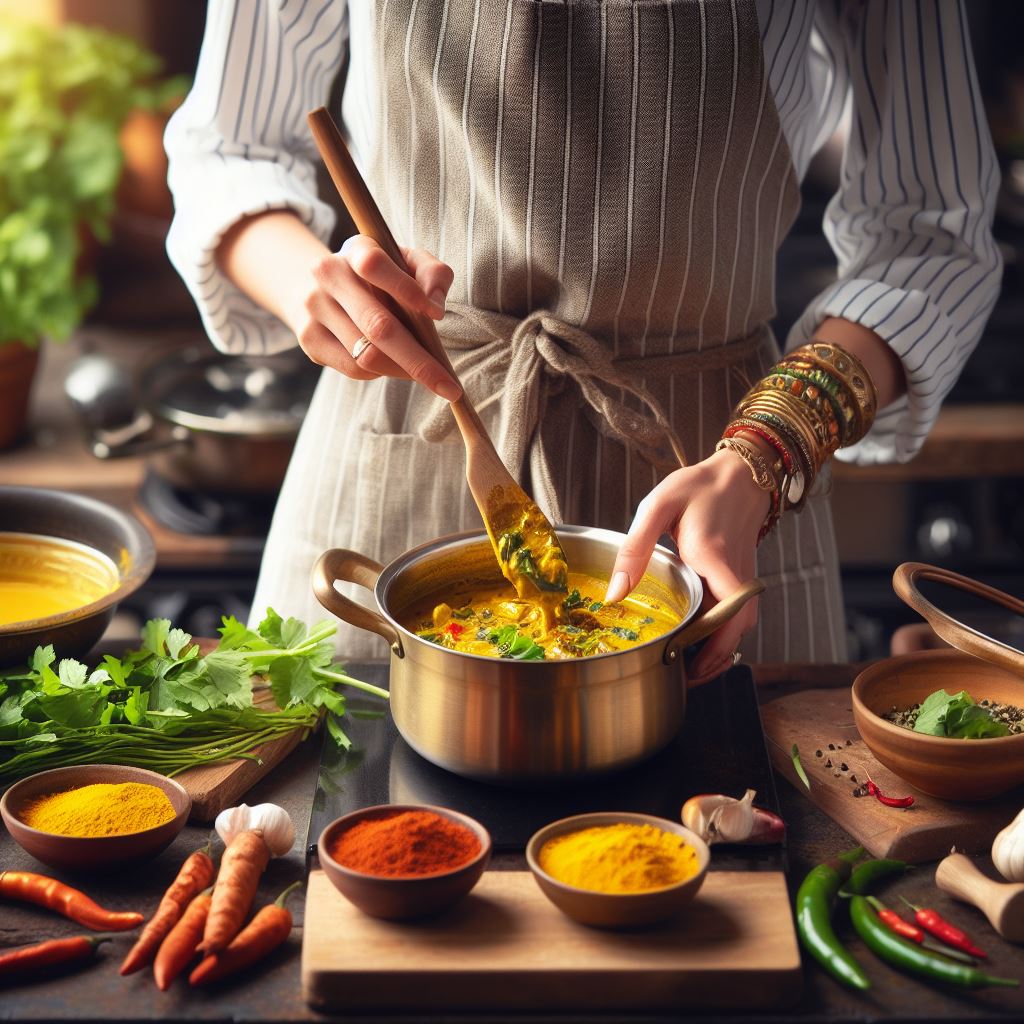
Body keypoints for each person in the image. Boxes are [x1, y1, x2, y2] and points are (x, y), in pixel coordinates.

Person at [166, 0, 1000, 673]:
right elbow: (229, 152)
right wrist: (310, 285)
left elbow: (930, 236)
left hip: (724, 485)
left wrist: (770, 447)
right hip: (405, 422)